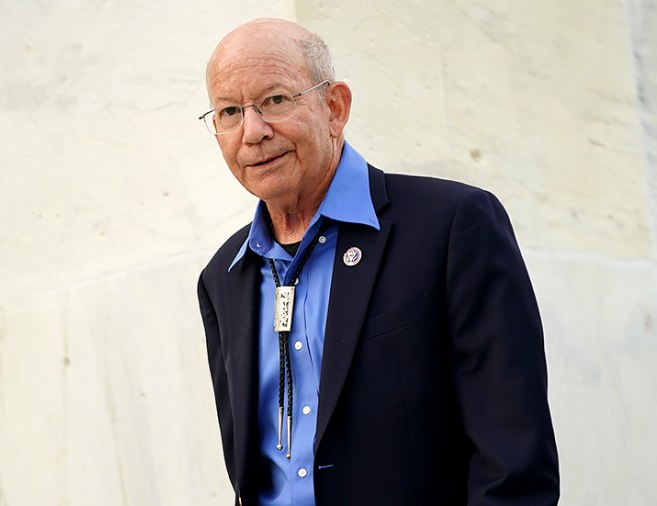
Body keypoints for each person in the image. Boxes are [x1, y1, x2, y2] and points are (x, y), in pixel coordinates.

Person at [196, 18, 559, 506]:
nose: (253, 132)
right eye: (230, 112)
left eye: (276, 100)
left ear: (335, 107)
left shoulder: (452, 226)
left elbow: (514, 469)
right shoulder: (222, 278)